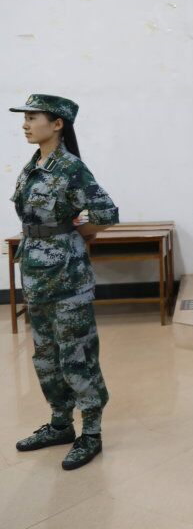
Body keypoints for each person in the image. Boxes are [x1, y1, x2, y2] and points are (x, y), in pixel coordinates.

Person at [10, 94, 119, 470]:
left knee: (77, 355)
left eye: (33, 117)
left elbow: (106, 212)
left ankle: (91, 433)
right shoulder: (33, 166)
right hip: (36, 276)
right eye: (25, 117)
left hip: (68, 279)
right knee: (45, 355)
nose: (25, 124)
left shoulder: (71, 168)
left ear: (57, 124)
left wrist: (74, 235)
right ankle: (60, 423)